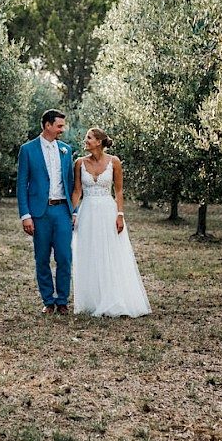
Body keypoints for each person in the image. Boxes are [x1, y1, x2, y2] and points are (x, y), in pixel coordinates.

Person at [70, 127, 151, 317]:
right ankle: (92, 299)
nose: (85, 141)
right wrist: (71, 213)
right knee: (90, 253)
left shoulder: (114, 162)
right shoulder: (79, 163)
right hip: (87, 211)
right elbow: (77, 192)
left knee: (111, 253)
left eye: (88, 138)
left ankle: (114, 297)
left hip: (108, 210)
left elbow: (119, 191)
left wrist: (120, 214)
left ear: (99, 142)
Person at [16, 109, 75, 315]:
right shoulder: (28, 150)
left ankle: (62, 301)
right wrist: (25, 215)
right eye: (59, 126)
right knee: (41, 258)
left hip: (62, 211)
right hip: (39, 213)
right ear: (47, 125)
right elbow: (22, 184)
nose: (62, 130)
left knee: (64, 257)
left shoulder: (66, 149)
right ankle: (48, 301)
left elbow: (71, 182)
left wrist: (73, 211)